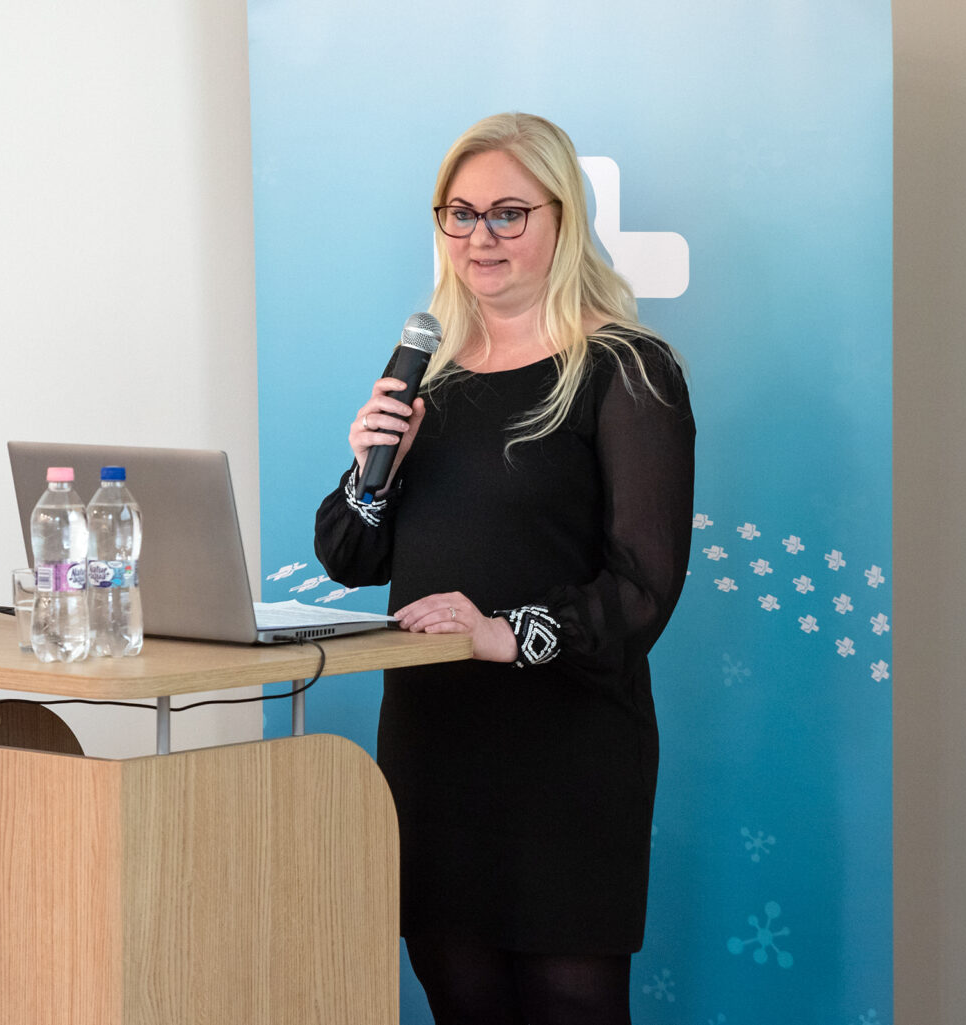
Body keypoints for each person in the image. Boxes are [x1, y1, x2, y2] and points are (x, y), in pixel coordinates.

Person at [313, 112, 695, 1025]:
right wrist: (374, 470)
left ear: (564, 218)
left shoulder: (627, 369)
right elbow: (349, 555)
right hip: (435, 745)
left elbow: (644, 584)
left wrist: (504, 634)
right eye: (460, 213)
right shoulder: (430, 375)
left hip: (566, 751)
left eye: (508, 213)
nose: (479, 237)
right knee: (461, 996)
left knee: (571, 1003)